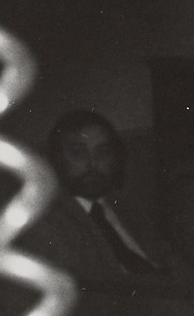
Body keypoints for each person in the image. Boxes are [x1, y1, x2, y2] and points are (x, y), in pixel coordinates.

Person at [42, 109, 169, 278]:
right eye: (78, 153)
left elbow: (166, 258)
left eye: (103, 151)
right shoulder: (48, 219)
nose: (93, 164)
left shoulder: (128, 205)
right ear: (57, 159)